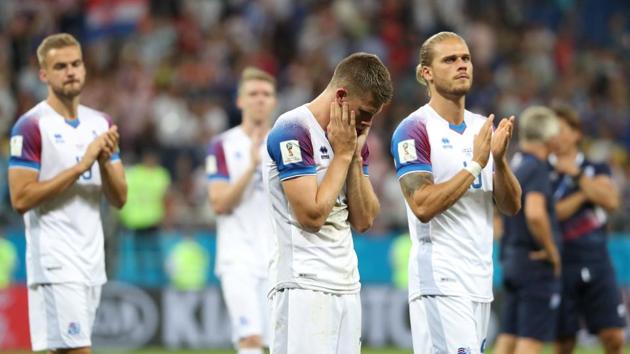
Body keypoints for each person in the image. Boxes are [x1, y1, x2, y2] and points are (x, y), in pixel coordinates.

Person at [390, 31, 521, 354]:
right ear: (426, 73)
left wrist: (500, 162)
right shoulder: (414, 129)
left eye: (465, 58)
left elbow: (511, 205)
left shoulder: (481, 127)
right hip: (440, 277)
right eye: (450, 60)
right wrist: (477, 164)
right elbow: (421, 204)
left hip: (479, 278)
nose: (462, 65)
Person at [264, 52, 393, 354]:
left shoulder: (349, 139)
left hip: (347, 284)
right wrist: (344, 154)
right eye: (365, 111)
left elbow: (364, 220)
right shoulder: (292, 129)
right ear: (340, 95)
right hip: (304, 285)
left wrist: (354, 158)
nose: (368, 122)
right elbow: (311, 215)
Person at [7, 33, 127, 354]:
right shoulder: (31, 126)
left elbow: (119, 198)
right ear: (43, 74)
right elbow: (20, 198)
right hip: (55, 261)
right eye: (60, 66)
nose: (71, 71)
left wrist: (103, 163)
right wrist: (81, 165)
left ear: (85, 68)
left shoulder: (100, 123)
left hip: (91, 260)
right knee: (78, 351)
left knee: (61, 351)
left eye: (76, 64)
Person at [206, 67, 277, 354]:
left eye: (266, 94)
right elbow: (219, 203)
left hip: (277, 256)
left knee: (280, 342)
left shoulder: (284, 144)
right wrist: (251, 167)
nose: (260, 100)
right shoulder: (222, 145)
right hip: (238, 258)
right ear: (240, 101)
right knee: (249, 339)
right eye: (253, 94)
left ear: (274, 101)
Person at [549, 105, 625, 354]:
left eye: (561, 130)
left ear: (576, 133)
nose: (555, 136)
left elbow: (611, 201)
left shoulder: (595, 167)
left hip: (597, 261)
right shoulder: (542, 171)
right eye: (551, 131)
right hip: (560, 264)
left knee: (613, 337)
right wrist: (586, 194)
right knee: (564, 342)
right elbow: (550, 214)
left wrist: (578, 176)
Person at [494, 106, 562, 354]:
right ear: (549, 137)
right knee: (530, 339)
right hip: (533, 263)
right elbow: (535, 213)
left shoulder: (516, 163)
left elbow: (497, 214)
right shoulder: (538, 168)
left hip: (512, 258)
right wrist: (551, 250)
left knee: (508, 336)